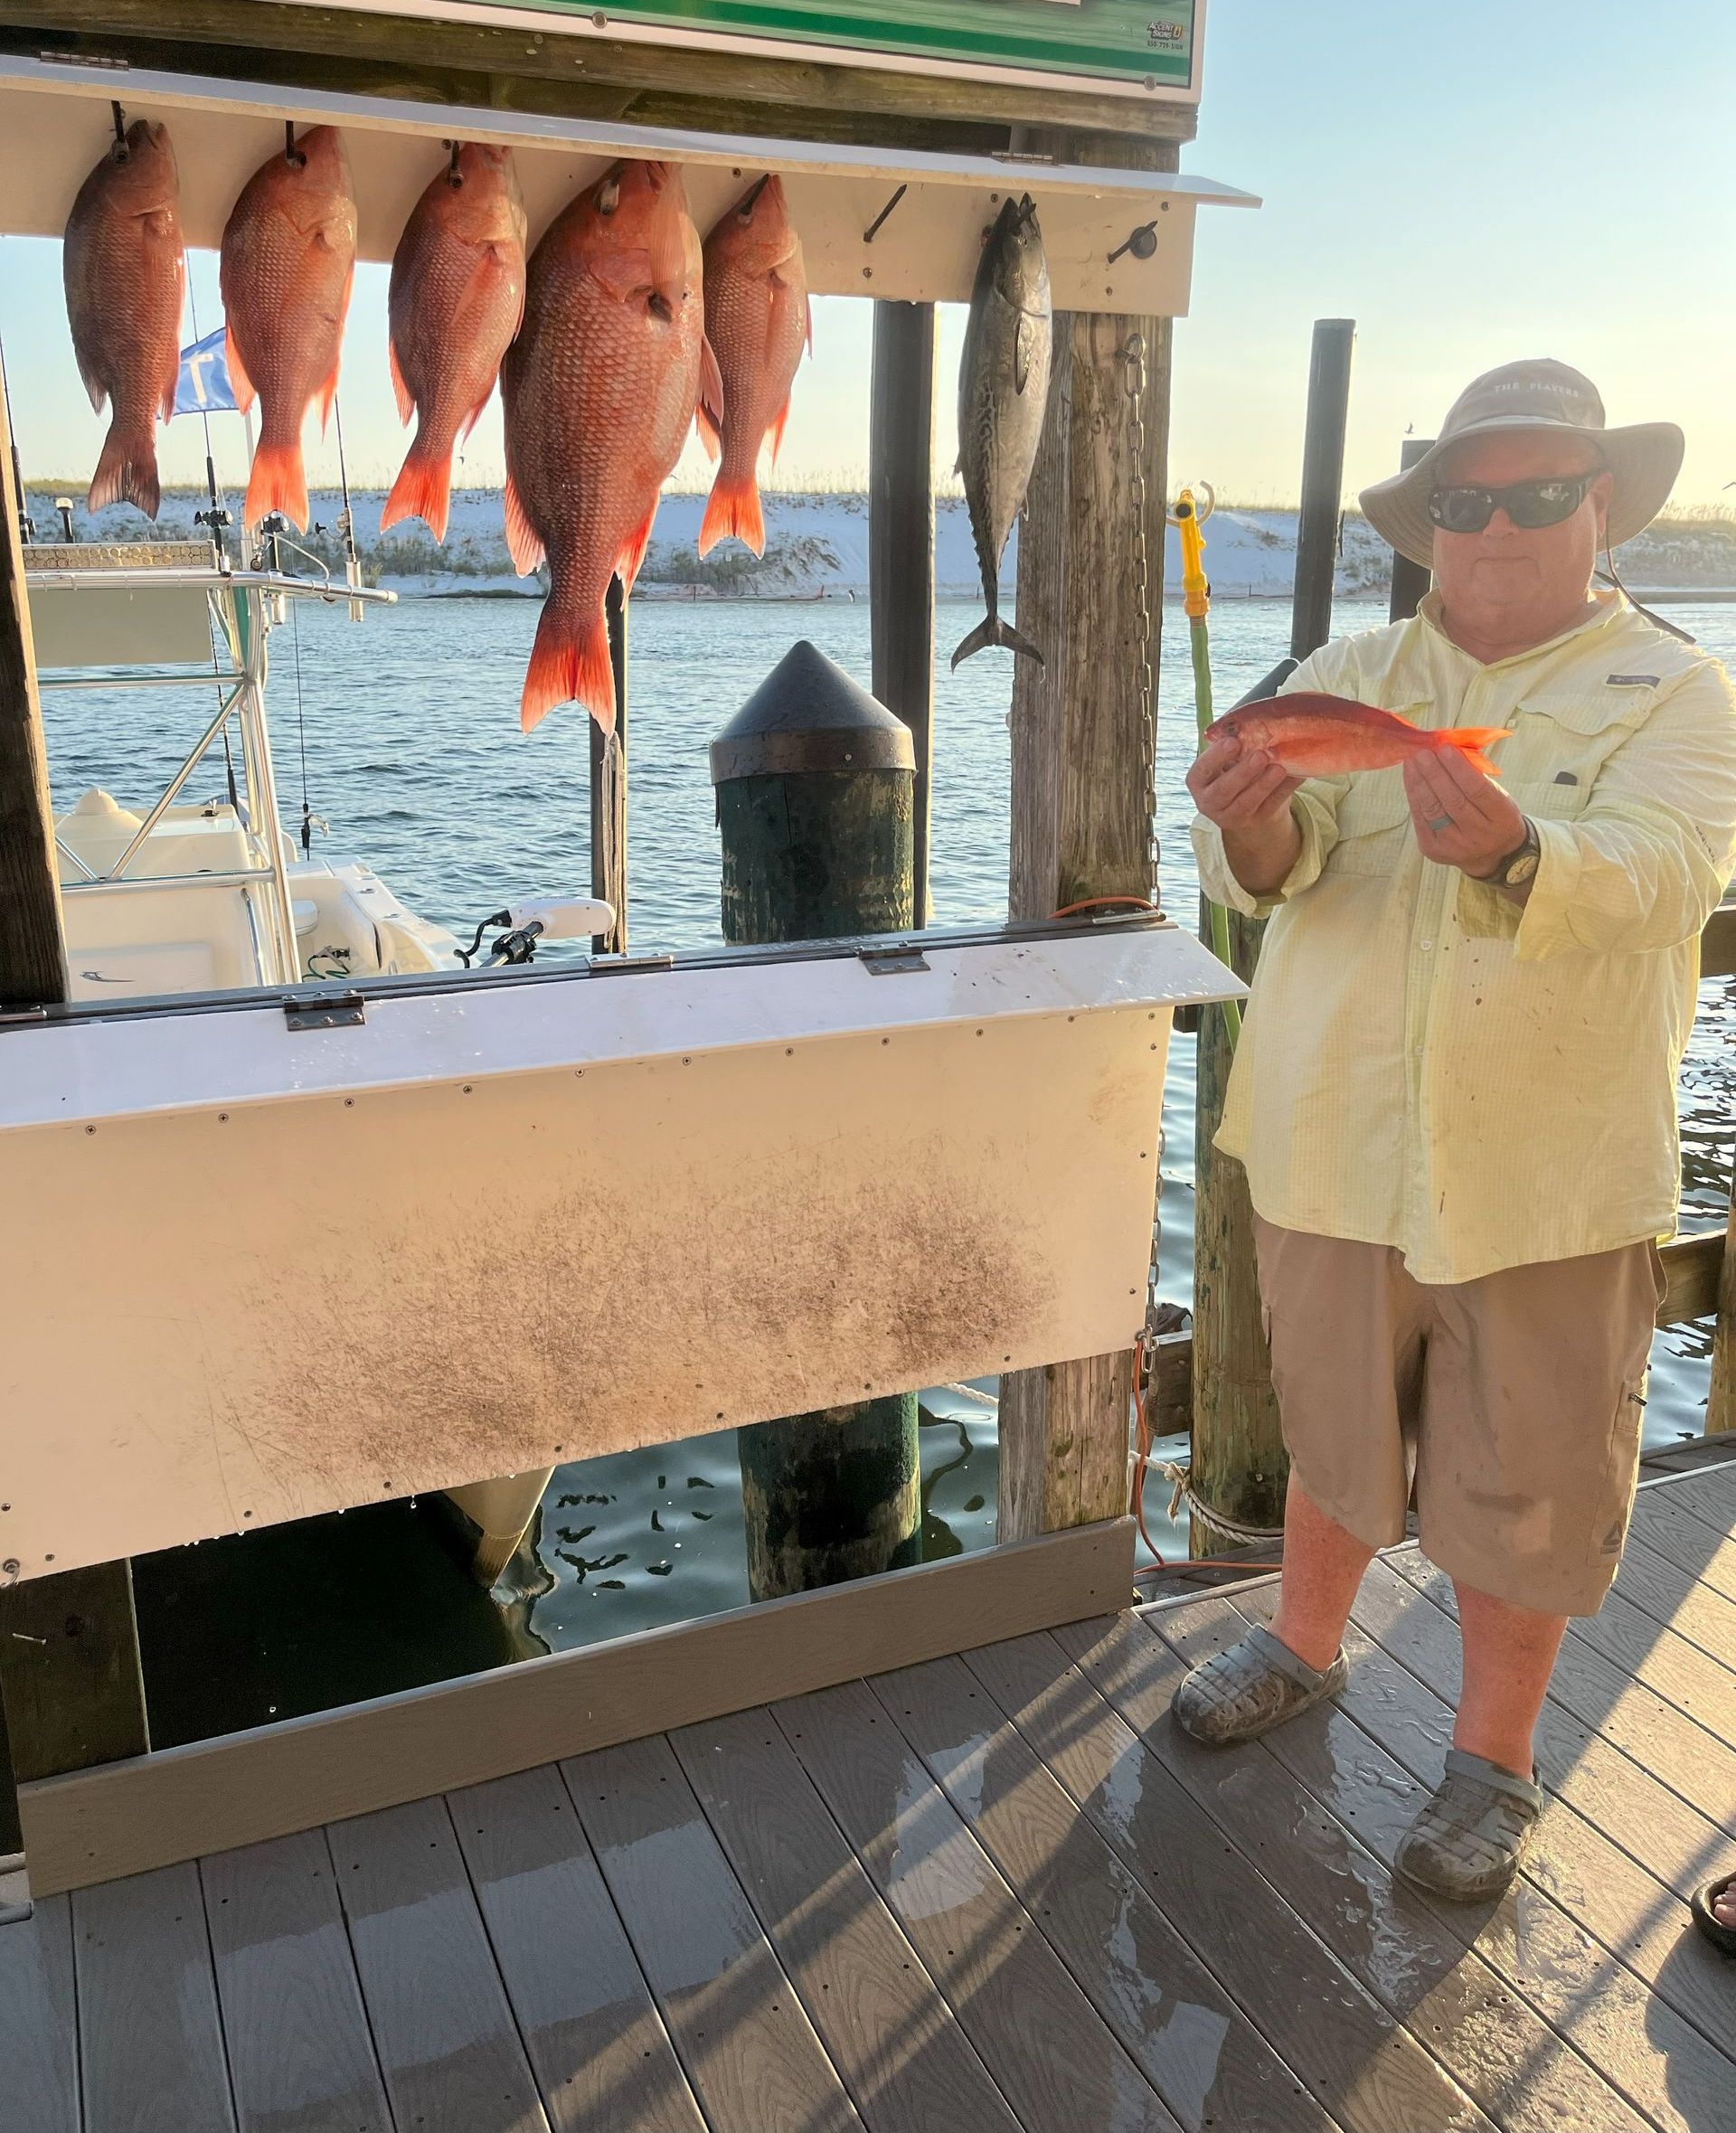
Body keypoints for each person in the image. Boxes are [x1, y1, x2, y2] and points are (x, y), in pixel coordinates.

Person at [1177, 359, 1736, 1903]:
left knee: (1531, 1480)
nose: (1498, 525)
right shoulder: (1351, 661)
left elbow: (1673, 874)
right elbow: (1268, 876)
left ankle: (1493, 1764)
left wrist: (1519, 852)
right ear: (1427, 525)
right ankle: (1300, 1644)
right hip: (1331, 1148)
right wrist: (1242, 815)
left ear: (1603, 505)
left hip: (1549, 1178)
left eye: (1540, 492)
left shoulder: (1683, 692)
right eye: (1466, 501)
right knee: (1332, 1429)